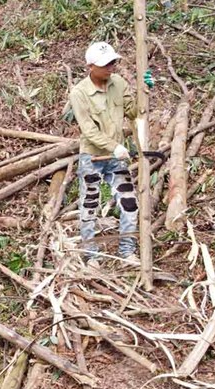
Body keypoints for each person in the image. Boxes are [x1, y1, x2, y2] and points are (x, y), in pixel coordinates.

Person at [69, 41, 153, 266]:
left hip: (117, 158)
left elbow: (134, 112)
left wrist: (144, 93)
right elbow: (88, 130)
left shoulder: (119, 83)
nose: (111, 67)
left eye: (113, 62)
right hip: (92, 157)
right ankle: (91, 256)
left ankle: (127, 252)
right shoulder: (79, 93)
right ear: (90, 66)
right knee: (89, 205)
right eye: (106, 64)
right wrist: (114, 146)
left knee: (129, 203)